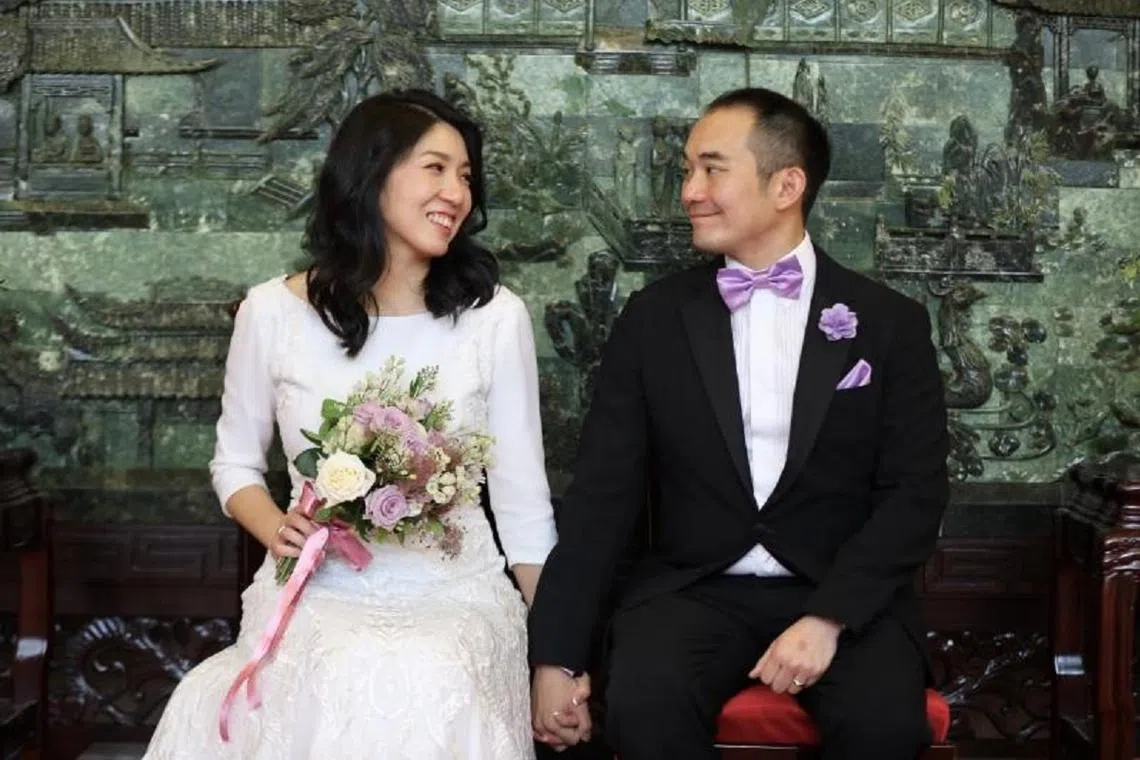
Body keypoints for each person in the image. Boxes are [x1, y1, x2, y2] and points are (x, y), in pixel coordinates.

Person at [528, 86, 950, 760]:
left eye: (711, 169)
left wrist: (828, 618)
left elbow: (915, 494)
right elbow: (602, 499)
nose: (689, 191)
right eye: (687, 170)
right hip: (691, 592)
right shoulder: (653, 320)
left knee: (883, 727)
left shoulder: (891, 323)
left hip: (840, 592)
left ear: (787, 185)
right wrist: (555, 657)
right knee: (643, 707)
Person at [145, 89, 563, 760]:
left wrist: (559, 654)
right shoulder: (270, 312)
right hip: (320, 587)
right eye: (435, 168)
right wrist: (273, 526)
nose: (457, 193)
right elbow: (234, 464)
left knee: (435, 669)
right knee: (338, 665)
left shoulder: (494, 316)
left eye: (465, 175)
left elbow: (522, 505)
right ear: (371, 174)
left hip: (456, 590)